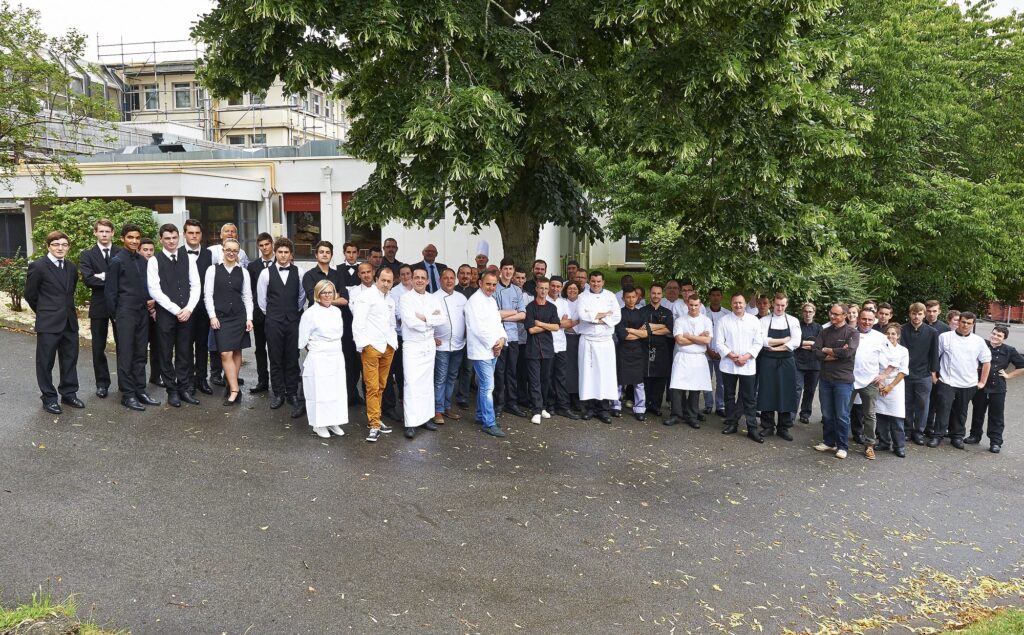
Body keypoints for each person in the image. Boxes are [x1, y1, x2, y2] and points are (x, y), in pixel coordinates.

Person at [25, 231, 83, 414]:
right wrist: (44, 312)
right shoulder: (38, 266)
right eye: (56, 244)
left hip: (69, 322)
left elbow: (69, 292)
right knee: (45, 362)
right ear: (48, 246)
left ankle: (68, 393)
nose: (60, 248)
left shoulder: (72, 267)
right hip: (48, 323)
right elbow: (30, 295)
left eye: (64, 245)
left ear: (68, 247)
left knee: (70, 359)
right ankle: (49, 398)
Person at [105, 224, 161, 411]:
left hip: (142, 312)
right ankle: (128, 394)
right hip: (125, 313)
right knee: (126, 355)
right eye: (130, 237)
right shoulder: (116, 261)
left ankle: (140, 390)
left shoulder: (143, 261)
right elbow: (110, 292)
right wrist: (116, 316)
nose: (135, 241)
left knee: (140, 353)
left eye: (137, 238)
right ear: (122, 238)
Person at [147, 223, 201, 408]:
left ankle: (184, 388)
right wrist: (175, 310)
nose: (171, 241)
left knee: (185, 352)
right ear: (161, 239)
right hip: (166, 315)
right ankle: (172, 391)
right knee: (165, 352)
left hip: (187, 313)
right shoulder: (154, 261)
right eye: (167, 238)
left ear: (179, 238)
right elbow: (154, 290)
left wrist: (189, 309)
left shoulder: (189, 259)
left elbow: (196, 285)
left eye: (174, 238)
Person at [301, 241, 360, 407]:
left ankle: (340, 400)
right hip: (318, 327)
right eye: (321, 252)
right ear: (316, 254)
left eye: (327, 252)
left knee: (339, 363)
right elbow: (314, 297)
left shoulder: (337, 274)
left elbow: (345, 299)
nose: (325, 254)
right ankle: (304, 402)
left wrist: (327, 299)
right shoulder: (309, 275)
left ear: (332, 255)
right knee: (315, 367)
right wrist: (334, 297)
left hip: (337, 324)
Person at [257, 237, 306, 417]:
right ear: (275, 253)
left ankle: (292, 392)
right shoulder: (266, 273)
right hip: (273, 321)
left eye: (286, 252)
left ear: (291, 254)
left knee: (292, 357)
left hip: (293, 320)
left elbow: (301, 298)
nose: (283, 255)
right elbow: (262, 300)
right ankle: (278, 393)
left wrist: (293, 312)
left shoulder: (299, 272)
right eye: (280, 252)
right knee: (275, 357)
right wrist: (273, 314)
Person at [927, 312, 991, 449]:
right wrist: (933, 376)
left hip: (968, 383)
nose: (965, 325)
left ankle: (957, 437)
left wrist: (982, 382)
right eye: (963, 322)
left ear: (973, 324)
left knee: (961, 411)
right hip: (947, 381)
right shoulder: (945, 337)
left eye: (969, 323)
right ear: (958, 322)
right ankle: (937, 436)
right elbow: (934, 357)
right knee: (943, 409)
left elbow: (986, 362)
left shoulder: (978, 341)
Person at [204, 238, 253, 407]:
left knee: (237, 351)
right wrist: (212, 316)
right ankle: (235, 389)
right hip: (221, 317)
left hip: (239, 316)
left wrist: (249, 318)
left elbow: (247, 296)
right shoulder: (212, 270)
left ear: (238, 253)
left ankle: (232, 387)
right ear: (223, 250)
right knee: (225, 353)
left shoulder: (243, 272)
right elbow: (208, 295)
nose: (231, 253)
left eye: (235, 251)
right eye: (228, 250)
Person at [298, 279, 348, 438]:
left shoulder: (337, 311)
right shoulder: (310, 313)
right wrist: (316, 349)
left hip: (336, 354)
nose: (327, 295)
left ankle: (334, 421)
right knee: (320, 390)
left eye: (330, 292)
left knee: (336, 389)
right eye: (324, 292)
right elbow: (303, 340)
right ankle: (318, 424)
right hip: (319, 356)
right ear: (317, 295)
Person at [352, 267, 398, 442]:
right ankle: (374, 425)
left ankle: (376, 418)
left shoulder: (391, 300)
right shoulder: (365, 297)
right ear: (376, 279)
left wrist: (393, 344)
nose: (386, 284)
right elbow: (357, 324)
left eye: (389, 281)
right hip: (371, 347)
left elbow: (392, 324)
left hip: (388, 347)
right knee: (371, 387)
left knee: (381, 385)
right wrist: (364, 346)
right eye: (383, 280)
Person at [399, 267, 446, 438]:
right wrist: (430, 320)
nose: (419, 280)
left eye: (422, 278)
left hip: (428, 345)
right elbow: (411, 322)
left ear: (427, 281)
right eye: (416, 277)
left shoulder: (433, 298)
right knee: (411, 383)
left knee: (427, 383)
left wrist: (424, 317)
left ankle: (426, 418)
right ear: (411, 280)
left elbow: (442, 319)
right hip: (413, 345)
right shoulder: (405, 299)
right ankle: (411, 422)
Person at [78, 219, 121, 398]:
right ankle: (102, 383)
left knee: (124, 346)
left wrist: (102, 276)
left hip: (120, 305)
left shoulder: (121, 252)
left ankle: (125, 383)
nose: (104, 234)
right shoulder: (87, 255)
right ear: (95, 233)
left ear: (112, 233)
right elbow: (88, 280)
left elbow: (126, 279)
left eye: (107, 231)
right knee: (98, 346)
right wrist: (112, 278)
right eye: (101, 231)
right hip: (99, 304)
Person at [812, 304, 860, 459]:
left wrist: (827, 350)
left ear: (845, 315)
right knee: (827, 413)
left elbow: (848, 352)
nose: (832, 317)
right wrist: (836, 353)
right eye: (831, 313)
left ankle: (842, 446)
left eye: (836, 314)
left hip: (843, 380)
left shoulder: (852, 333)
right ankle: (828, 441)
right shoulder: (824, 331)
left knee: (841, 415)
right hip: (825, 378)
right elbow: (816, 351)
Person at [464, 271, 508, 437]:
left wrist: (502, 340)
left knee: (484, 385)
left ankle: (481, 415)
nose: (491, 287)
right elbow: (477, 329)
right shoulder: (474, 302)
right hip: (482, 351)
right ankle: (489, 423)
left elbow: (497, 323)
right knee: (488, 386)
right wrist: (494, 344)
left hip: (493, 349)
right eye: (488, 284)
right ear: (480, 283)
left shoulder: (491, 300)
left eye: (494, 284)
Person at [968, 325, 1024, 453]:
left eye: (999, 336)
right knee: (977, 412)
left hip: (998, 388)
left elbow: (1022, 365)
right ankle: (974, 436)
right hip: (980, 385)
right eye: (994, 334)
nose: (995, 337)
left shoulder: (1009, 350)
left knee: (996, 416)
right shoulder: (982, 345)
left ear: (1004, 338)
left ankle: (995, 442)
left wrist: (1008, 375)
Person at [716, 293, 763, 442]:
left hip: (747, 365)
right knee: (729, 396)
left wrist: (746, 356)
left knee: (749, 398)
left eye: (741, 303)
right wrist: (731, 355)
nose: (738, 305)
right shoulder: (723, 321)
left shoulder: (754, 320)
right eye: (735, 303)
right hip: (729, 364)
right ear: (731, 304)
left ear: (745, 304)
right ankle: (732, 423)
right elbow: (719, 343)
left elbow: (758, 342)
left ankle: (752, 428)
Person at [850, 308, 896, 459]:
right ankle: (840, 441)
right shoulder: (849, 333)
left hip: (870, 381)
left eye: (870, 319)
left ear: (874, 320)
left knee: (869, 414)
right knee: (843, 412)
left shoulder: (880, 337)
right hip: (848, 380)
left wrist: (883, 375)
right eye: (864, 319)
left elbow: (894, 359)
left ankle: (869, 445)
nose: (866, 322)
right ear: (858, 319)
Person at [577, 271, 621, 423]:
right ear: (589, 281)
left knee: (605, 375)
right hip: (588, 340)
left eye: (598, 281)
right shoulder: (582, 297)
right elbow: (582, 315)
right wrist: (604, 315)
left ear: (603, 282)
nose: (596, 284)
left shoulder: (610, 296)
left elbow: (616, 316)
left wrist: (594, 317)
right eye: (593, 281)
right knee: (589, 375)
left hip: (605, 341)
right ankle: (589, 408)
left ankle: (604, 409)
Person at [755, 293, 801, 441]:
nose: (779, 308)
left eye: (783, 305)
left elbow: (796, 341)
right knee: (767, 391)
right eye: (777, 305)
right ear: (772, 304)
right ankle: (767, 426)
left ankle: (783, 427)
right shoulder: (763, 321)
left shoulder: (793, 321)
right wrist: (783, 340)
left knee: (786, 392)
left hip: (786, 361)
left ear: (786, 305)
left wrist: (776, 347)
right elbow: (762, 340)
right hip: (768, 361)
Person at [667, 294, 712, 428]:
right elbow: (679, 340)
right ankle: (676, 414)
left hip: (698, 357)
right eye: (691, 305)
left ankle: (691, 416)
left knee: (695, 388)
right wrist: (699, 337)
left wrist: (690, 336)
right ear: (687, 304)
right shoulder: (680, 320)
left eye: (696, 305)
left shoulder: (706, 320)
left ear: (700, 305)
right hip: (683, 356)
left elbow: (707, 340)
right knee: (677, 387)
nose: (693, 307)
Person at [182, 219, 214, 396]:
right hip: (184, 309)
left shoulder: (210, 255)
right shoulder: (177, 253)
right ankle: (188, 382)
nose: (194, 236)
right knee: (185, 346)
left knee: (202, 345)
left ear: (201, 235)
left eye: (197, 233)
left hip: (203, 308)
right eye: (190, 233)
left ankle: (202, 379)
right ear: (184, 234)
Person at [899, 303, 939, 445]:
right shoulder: (902, 330)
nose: (916, 317)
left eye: (920, 314)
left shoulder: (932, 332)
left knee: (923, 404)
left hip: (924, 374)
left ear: (924, 314)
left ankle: (919, 432)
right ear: (910, 314)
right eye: (914, 313)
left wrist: (934, 373)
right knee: (906, 403)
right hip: (905, 373)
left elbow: (934, 354)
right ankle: (907, 429)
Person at [522, 277, 559, 424]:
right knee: (534, 380)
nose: (543, 291)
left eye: (545, 288)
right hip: (532, 350)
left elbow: (556, 327)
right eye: (541, 288)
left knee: (545, 380)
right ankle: (536, 410)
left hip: (548, 349)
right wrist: (547, 325)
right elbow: (531, 329)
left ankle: (542, 407)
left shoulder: (552, 307)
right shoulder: (530, 307)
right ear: (536, 289)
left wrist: (540, 323)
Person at [493, 258, 527, 417]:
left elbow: (523, 314)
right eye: (505, 268)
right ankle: (499, 403)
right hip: (498, 336)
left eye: (510, 269)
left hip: (513, 337)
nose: (508, 272)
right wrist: (512, 312)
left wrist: (503, 315)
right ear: (501, 270)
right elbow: (493, 314)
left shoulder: (517, 291)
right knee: (499, 372)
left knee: (511, 371)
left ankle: (511, 403)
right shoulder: (493, 289)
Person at [433, 267, 467, 424]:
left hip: (458, 345)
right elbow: (428, 320)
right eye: (445, 278)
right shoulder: (433, 298)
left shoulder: (462, 298)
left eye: (451, 278)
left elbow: (468, 319)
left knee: (452, 377)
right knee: (440, 378)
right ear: (440, 280)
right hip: (442, 347)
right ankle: (437, 410)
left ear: (455, 280)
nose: (449, 281)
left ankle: (447, 407)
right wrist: (432, 336)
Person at [382, 263, 413, 421]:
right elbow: (399, 315)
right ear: (398, 277)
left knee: (405, 370)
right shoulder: (394, 292)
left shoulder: (417, 289)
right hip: (397, 335)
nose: (406, 277)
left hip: (412, 337)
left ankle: (403, 397)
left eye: (408, 274)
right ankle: (390, 405)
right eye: (403, 274)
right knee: (393, 370)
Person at [246, 233, 275, 394]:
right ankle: (262, 381)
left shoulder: (281, 261)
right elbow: (249, 292)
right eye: (261, 245)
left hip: (277, 314)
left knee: (276, 349)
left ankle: (280, 381)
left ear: (272, 244)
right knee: (260, 349)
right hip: (259, 315)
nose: (264, 248)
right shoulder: (253, 266)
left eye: (267, 244)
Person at [545, 277, 578, 419]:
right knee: (547, 376)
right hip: (546, 344)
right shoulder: (543, 301)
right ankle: (549, 405)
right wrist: (560, 322)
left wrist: (552, 323)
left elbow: (569, 323)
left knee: (561, 376)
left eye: (558, 286)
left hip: (561, 344)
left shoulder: (564, 303)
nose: (555, 289)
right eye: (552, 286)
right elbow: (543, 321)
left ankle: (563, 406)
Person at [614, 286, 648, 420]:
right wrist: (637, 332)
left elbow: (646, 333)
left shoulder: (642, 313)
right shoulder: (619, 313)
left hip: (638, 351)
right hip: (623, 350)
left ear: (637, 298)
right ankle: (615, 406)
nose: (631, 299)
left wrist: (631, 330)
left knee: (639, 382)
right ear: (623, 298)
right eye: (628, 297)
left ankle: (640, 408)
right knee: (619, 380)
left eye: (633, 297)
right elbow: (623, 335)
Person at [875, 323, 909, 458]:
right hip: (879, 383)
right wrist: (881, 385)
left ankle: (899, 446)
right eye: (888, 333)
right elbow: (875, 367)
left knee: (896, 418)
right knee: (880, 415)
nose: (890, 336)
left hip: (896, 385)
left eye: (893, 333)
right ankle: (883, 442)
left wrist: (890, 386)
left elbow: (903, 371)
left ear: (898, 336)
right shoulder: (879, 349)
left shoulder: (903, 350)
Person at [794, 302, 822, 425]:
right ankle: (790, 415)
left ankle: (805, 413)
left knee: (810, 390)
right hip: (798, 362)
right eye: (805, 311)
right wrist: (807, 343)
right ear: (802, 312)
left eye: (810, 311)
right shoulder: (797, 326)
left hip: (814, 363)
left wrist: (805, 343)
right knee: (796, 389)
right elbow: (795, 342)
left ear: (814, 313)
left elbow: (819, 344)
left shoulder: (819, 328)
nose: (807, 314)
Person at [703, 287, 728, 417]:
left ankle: (720, 406)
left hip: (721, 354)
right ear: (709, 296)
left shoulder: (727, 314)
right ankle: (708, 405)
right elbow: (700, 332)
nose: (715, 297)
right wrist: (708, 349)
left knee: (721, 381)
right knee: (706, 379)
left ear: (722, 297)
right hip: (706, 352)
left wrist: (720, 352)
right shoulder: (703, 312)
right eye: (713, 295)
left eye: (718, 295)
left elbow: (728, 336)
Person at [562, 281, 583, 412]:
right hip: (565, 338)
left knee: (577, 369)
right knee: (567, 369)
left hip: (579, 338)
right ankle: (566, 399)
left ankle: (576, 399)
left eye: (575, 289)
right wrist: (573, 322)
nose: (572, 291)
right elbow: (561, 322)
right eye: (570, 288)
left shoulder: (583, 302)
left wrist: (568, 323)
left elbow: (584, 319)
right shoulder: (562, 302)